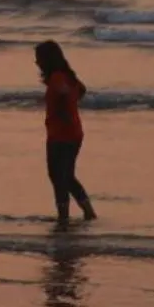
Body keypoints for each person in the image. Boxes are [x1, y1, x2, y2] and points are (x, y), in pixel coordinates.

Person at [37, 40, 97, 226]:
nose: (37, 63)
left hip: (61, 134)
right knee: (67, 176)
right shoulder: (68, 76)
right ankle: (88, 212)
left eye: (39, 59)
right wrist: (70, 105)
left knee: (57, 176)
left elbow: (63, 93)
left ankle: (63, 215)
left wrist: (63, 111)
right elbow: (82, 90)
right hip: (73, 132)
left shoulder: (57, 78)